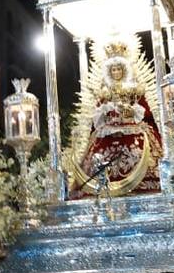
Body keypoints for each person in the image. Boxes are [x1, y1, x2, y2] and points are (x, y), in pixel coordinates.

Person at [68, 39, 164, 199]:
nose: (116, 72)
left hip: (133, 129)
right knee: (97, 156)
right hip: (107, 132)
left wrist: (131, 112)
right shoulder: (104, 93)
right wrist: (106, 113)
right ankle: (98, 186)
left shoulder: (134, 90)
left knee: (140, 149)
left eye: (119, 69)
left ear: (124, 70)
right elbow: (97, 116)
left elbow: (144, 111)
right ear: (109, 72)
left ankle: (147, 185)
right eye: (113, 70)